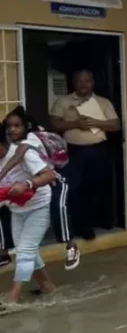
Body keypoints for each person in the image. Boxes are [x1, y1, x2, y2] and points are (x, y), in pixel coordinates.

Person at [0, 107, 78, 270]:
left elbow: (17, 157)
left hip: (55, 177)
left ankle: (71, 245)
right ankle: (4, 251)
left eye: (16, 126)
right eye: (9, 126)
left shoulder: (30, 139)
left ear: (26, 126)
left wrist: (2, 174)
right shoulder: (17, 142)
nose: (12, 130)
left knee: (59, 207)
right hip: (41, 181)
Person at [50, 70, 120, 242]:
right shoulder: (63, 101)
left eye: (87, 81)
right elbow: (54, 125)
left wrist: (95, 122)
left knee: (95, 188)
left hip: (97, 149)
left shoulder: (103, 102)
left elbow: (116, 125)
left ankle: (88, 225)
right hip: (73, 151)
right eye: (79, 81)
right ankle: (75, 225)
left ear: (93, 83)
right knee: (73, 189)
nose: (83, 84)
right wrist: (76, 124)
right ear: (73, 83)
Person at [0, 132, 59, 304]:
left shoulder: (22, 153)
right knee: (25, 250)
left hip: (40, 206)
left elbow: (49, 175)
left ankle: (13, 298)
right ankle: (46, 285)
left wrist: (27, 184)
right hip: (17, 210)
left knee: (25, 251)